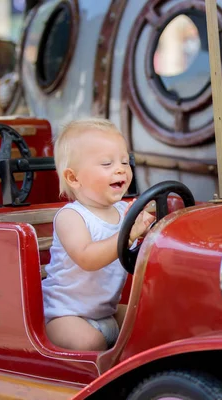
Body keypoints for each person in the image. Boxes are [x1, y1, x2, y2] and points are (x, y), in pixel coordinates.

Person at [42, 118, 155, 351]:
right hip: (65, 315)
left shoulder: (126, 211)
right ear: (74, 178)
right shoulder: (71, 217)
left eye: (125, 161)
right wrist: (129, 236)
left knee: (152, 320)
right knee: (90, 342)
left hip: (107, 311)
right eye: (106, 163)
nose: (121, 168)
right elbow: (88, 258)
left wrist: (151, 228)